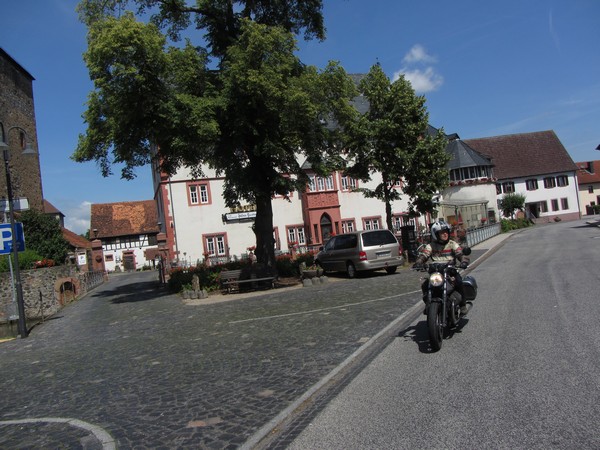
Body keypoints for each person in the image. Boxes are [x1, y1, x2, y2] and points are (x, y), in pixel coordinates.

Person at [413, 220, 470, 314]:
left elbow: (460, 254)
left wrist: (464, 262)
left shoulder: (452, 244)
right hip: (436, 272)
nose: (445, 234)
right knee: (425, 285)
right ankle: (428, 304)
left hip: (450, 271)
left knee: (459, 282)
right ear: (435, 234)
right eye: (441, 232)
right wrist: (419, 262)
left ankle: (463, 305)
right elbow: (424, 255)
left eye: (446, 231)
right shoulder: (431, 246)